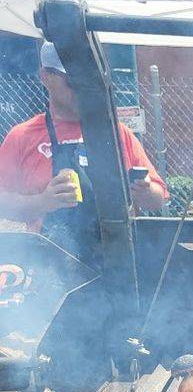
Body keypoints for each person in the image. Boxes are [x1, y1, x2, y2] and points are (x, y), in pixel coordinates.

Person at [0, 42, 168, 266]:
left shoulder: (116, 133)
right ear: (46, 77)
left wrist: (144, 190)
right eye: (72, 80)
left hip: (116, 263)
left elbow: (158, 198)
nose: (81, 87)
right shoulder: (22, 136)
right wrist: (42, 202)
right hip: (50, 267)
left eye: (87, 79)